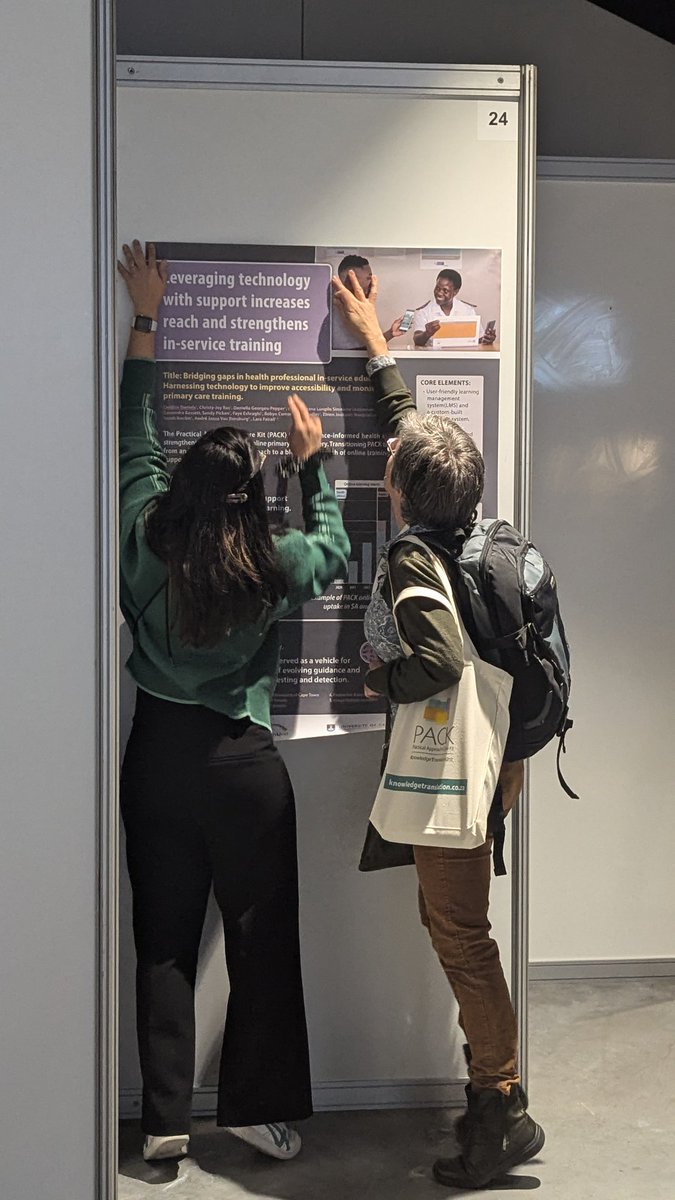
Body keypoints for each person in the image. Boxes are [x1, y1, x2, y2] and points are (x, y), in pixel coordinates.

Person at [117, 241, 350, 1165]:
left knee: (162, 940)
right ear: (250, 501)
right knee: (260, 942)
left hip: (158, 759)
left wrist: (147, 316)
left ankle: (165, 1123)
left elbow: (134, 428)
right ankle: (256, 1109)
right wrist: (316, 466)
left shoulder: (144, 537)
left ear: (180, 489)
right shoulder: (272, 562)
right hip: (245, 767)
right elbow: (330, 547)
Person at [331, 268, 544, 1191]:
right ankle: (495, 1093)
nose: (386, 466)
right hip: (495, 757)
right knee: (452, 923)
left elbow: (440, 665)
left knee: (461, 937)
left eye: (391, 467)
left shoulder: (417, 553)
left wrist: (381, 670)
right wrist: (377, 342)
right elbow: (416, 435)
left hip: (461, 765)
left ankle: (499, 1110)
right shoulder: (467, 520)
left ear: (408, 491)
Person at [331, 254, 406, 351]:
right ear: (352, 279)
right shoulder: (331, 305)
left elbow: (369, 343)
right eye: (368, 278)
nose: (372, 283)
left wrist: (390, 333)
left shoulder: (362, 305)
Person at [412, 268, 496, 348]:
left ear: (455, 292)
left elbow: (478, 339)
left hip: (462, 358)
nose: (439, 293)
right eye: (437, 288)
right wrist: (427, 333)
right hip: (433, 359)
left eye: (445, 290)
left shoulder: (467, 310)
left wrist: (487, 339)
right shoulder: (424, 311)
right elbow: (417, 339)